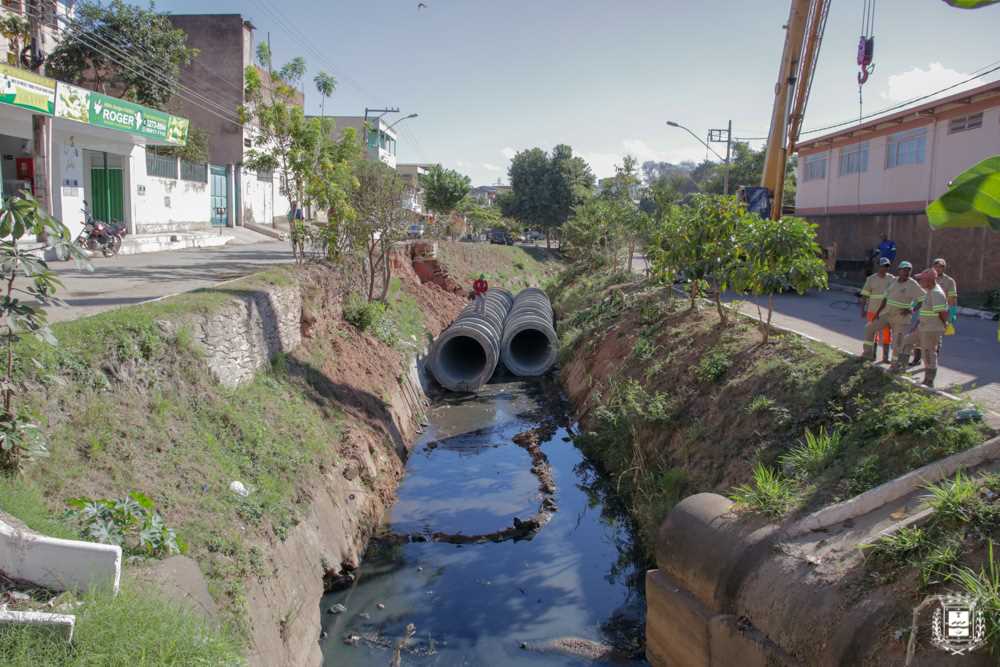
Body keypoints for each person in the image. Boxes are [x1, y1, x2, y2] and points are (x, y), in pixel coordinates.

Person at [894, 269, 949, 387]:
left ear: (929, 280)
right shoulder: (929, 291)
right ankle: (901, 368)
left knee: (928, 353)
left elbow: (943, 313)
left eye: (921, 280)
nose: (919, 282)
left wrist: (944, 325)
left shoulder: (936, 293)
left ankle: (929, 381)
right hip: (923, 327)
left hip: (931, 328)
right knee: (906, 342)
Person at [862, 260, 923, 363]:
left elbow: (923, 299)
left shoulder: (912, 284)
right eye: (904, 270)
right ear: (899, 271)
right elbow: (885, 298)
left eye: (908, 270)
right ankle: (867, 355)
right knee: (869, 328)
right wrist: (878, 313)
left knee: (897, 341)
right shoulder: (893, 281)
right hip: (887, 314)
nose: (906, 272)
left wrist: (911, 309)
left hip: (901, 317)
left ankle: (895, 364)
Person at [860, 258, 894, 363]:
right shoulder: (871, 279)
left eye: (887, 266)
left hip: (886, 312)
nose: (885, 268)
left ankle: (885, 357)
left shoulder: (892, 279)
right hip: (872, 311)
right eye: (883, 266)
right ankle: (871, 355)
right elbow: (864, 295)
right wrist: (863, 309)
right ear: (878, 266)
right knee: (872, 333)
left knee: (887, 334)